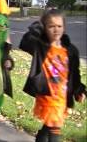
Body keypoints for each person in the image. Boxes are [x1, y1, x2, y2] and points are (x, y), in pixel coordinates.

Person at [19, 9, 86, 142]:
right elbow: (25, 42)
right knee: (55, 125)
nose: (56, 30)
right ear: (45, 28)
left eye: (59, 26)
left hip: (62, 96)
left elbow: (74, 74)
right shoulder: (40, 46)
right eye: (51, 26)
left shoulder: (71, 50)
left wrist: (79, 90)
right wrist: (38, 27)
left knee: (49, 125)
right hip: (47, 93)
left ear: (64, 27)